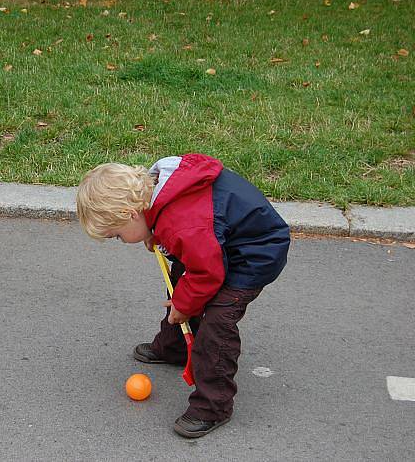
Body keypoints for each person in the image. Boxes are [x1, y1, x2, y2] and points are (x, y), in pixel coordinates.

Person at [76, 154, 289, 438]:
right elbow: (195, 240)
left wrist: (184, 305)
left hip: (253, 254)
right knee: (181, 279)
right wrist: (153, 230)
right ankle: (175, 347)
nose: (120, 241)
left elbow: (207, 273)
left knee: (217, 321)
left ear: (130, 214)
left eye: (116, 235)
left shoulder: (182, 224)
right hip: (218, 242)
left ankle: (213, 406)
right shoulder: (156, 193)